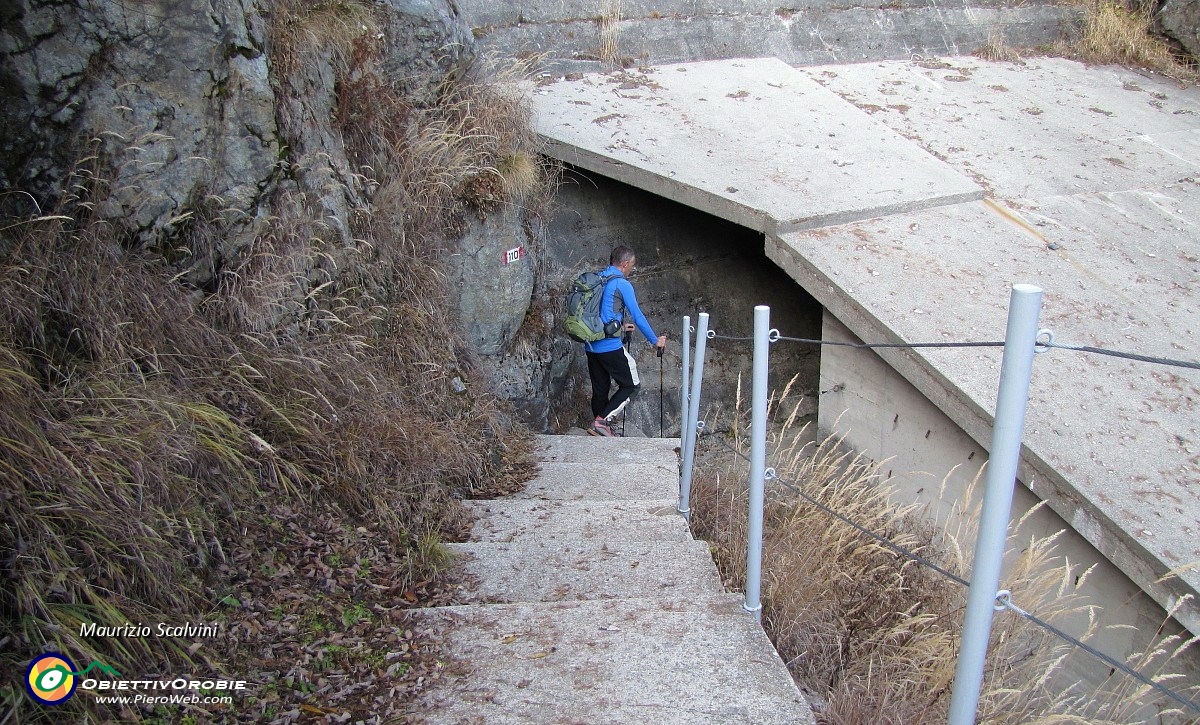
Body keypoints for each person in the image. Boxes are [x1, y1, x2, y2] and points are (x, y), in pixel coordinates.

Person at [584, 245, 667, 436]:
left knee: (600, 389)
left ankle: (599, 429)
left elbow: (599, 315)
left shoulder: (598, 280)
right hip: (609, 346)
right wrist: (655, 341)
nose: (632, 270)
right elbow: (638, 316)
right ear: (625, 263)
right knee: (631, 385)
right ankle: (601, 421)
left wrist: (621, 327)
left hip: (590, 345)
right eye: (632, 266)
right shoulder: (621, 284)